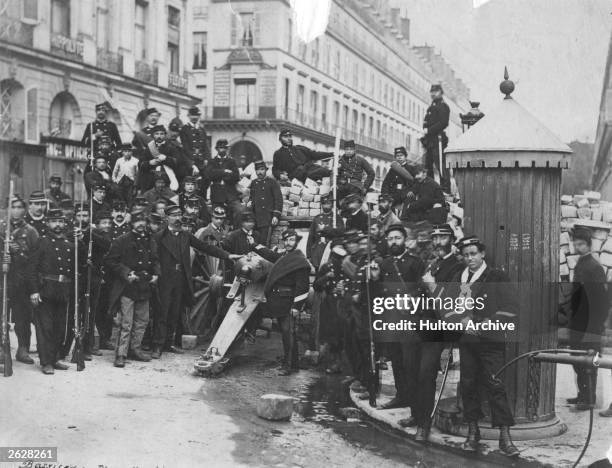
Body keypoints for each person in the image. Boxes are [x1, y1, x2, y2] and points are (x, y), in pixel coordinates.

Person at [447, 235, 519, 456]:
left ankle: (505, 437)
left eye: (473, 254)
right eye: (466, 254)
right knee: (468, 385)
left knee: (495, 385)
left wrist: (488, 323)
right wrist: (461, 321)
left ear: (482, 254)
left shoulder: (497, 276)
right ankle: (473, 432)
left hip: (491, 341)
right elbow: (447, 306)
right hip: (467, 341)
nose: (470, 258)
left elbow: (511, 307)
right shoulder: (458, 277)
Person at [151, 207, 241, 359]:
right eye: (174, 216)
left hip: (181, 278)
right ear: (167, 218)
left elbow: (205, 247)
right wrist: (156, 274)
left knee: (174, 311)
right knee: (162, 312)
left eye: (179, 215)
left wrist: (228, 255)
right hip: (165, 279)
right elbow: (154, 258)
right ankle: (157, 345)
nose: (178, 218)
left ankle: (169, 343)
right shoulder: (159, 236)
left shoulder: (186, 235)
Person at [410, 223, 464, 442]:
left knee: (426, 374)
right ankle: (416, 415)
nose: (437, 242)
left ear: (451, 239)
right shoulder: (433, 263)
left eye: (442, 238)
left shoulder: (458, 267)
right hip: (422, 325)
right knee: (412, 369)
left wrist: (431, 285)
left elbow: (450, 300)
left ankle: (424, 424)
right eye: (435, 238)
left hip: (440, 329)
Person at [370, 224, 424, 420]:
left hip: (410, 320)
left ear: (404, 240)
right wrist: (375, 279)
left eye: (397, 238)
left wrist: (412, 299)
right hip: (391, 319)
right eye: (390, 239)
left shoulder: (415, 262)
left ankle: (416, 405)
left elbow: (423, 287)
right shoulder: (383, 265)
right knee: (397, 361)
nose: (393, 242)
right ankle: (402, 396)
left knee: (411, 363)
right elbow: (377, 294)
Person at [26, 209, 84, 374]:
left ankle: (55, 358)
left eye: (60, 221)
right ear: (47, 223)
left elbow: (80, 265)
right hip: (46, 290)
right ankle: (46, 362)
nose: (57, 224)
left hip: (64, 290)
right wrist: (34, 291)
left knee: (60, 327)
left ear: (65, 223)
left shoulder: (70, 243)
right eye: (54, 221)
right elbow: (31, 268)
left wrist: (80, 241)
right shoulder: (42, 242)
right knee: (45, 327)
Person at [106, 209, 160, 367]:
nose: (141, 224)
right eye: (137, 221)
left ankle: (135, 349)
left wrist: (156, 273)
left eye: (143, 221)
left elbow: (156, 259)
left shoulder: (150, 240)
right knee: (126, 323)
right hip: (128, 287)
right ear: (131, 223)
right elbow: (110, 261)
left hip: (145, 286)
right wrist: (127, 272)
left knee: (142, 321)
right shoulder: (121, 240)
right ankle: (121, 354)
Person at [562, 228, 608, 411]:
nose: (577, 247)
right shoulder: (581, 262)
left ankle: (589, 399)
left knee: (590, 362)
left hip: (590, 324)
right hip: (578, 322)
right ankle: (582, 395)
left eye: (581, 244)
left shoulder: (594, 266)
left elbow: (602, 300)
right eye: (575, 243)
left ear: (589, 244)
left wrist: (596, 325)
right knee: (577, 360)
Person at [254, 229, 310, 375]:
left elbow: (302, 287)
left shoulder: (299, 261)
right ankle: (291, 363)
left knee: (288, 333)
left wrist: (297, 307)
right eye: (286, 240)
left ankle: (289, 366)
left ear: (297, 242)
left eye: (291, 240)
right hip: (279, 301)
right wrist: (254, 245)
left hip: (289, 303)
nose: (288, 243)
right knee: (286, 333)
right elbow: (271, 255)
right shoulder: (285, 256)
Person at [0, 194, 39, 364]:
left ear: (24, 210)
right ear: (7, 209)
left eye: (19, 207)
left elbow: (35, 259)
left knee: (22, 317)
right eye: (12, 207)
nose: (15, 211)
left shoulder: (30, 231)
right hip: (2, 280)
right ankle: (2, 349)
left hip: (21, 281)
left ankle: (22, 349)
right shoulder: (1, 228)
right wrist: (3, 259)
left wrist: (18, 253)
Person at [312, 236, 347, 374]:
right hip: (330, 303)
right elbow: (316, 286)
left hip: (344, 303)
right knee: (330, 333)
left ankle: (344, 363)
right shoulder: (326, 267)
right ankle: (333, 362)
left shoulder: (348, 265)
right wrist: (327, 277)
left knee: (343, 333)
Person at [421, 84, 450, 192]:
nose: (433, 94)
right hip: (429, 139)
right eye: (431, 91)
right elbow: (425, 121)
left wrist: (429, 130)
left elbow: (443, 123)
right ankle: (430, 187)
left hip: (438, 139)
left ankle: (445, 188)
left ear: (441, 92)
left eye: (436, 91)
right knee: (427, 165)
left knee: (441, 165)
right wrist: (425, 129)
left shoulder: (443, 106)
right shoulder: (431, 107)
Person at [207, 139, 242, 227]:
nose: (222, 150)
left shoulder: (231, 161)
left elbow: (236, 176)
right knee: (217, 215)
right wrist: (224, 171)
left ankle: (235, 230)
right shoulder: (212, 161)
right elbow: (209, 174)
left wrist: (221, 175)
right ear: (216, 149)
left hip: (231, 193)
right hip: (217, 194)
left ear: (227, 149)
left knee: (239, 210)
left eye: (224, 148)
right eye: (220, 148)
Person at [249, 161, 282, 245]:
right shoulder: (254, 183)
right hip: (255, 218)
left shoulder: (272, 182)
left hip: (267, 218)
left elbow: (278, 200)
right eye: (257, 170)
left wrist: (276, 216)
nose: (260, 172)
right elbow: (252, 197)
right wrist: (250, 202)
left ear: (266, 170)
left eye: (262, 169)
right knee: (254, 243)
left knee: (264, 243)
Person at [137, 125, 179, 193]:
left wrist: (166, 158)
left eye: (161, 134)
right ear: (153, 135)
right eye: (157, 134)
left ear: (165, 135)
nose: (159, 136)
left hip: (167, 178)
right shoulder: (148, 148)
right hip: (151, 179)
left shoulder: (172, 147)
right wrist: (150, 163)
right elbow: (140, 164)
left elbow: (177, 163)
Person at [306, 194, 344, 268]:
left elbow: (340, 232)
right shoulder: (317, 218)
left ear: (332, 205)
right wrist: (309, 255)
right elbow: (311, 237)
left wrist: (325, 229)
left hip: (331, 250)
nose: (326, 206)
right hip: (318, 251)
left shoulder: (337, 218)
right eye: (324, 204)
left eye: (328, 203)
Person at [179, 106, 209, 189]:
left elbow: (206, 146)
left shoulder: (202, 130)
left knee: (205, 180)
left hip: (201, 161)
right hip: (190, 161)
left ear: (199, 116)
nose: (195, 117)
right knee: (189, 183)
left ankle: (202, 200)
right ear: (188, 116)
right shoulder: (184, 129)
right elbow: (185, 148)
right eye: (192, 115)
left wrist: (206, 158)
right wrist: (192, 163)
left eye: (197, 115)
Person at [381, 147, 416, 216]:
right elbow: (386, 183)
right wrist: (385, 195)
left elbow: (417, 182)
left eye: (401, 156)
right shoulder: (393, 170)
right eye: (397, 156)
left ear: (405, 157)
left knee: (405, 214)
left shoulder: (411, 169)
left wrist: (412, 191)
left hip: (406, 196)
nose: (399, 158)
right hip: (394, 196)